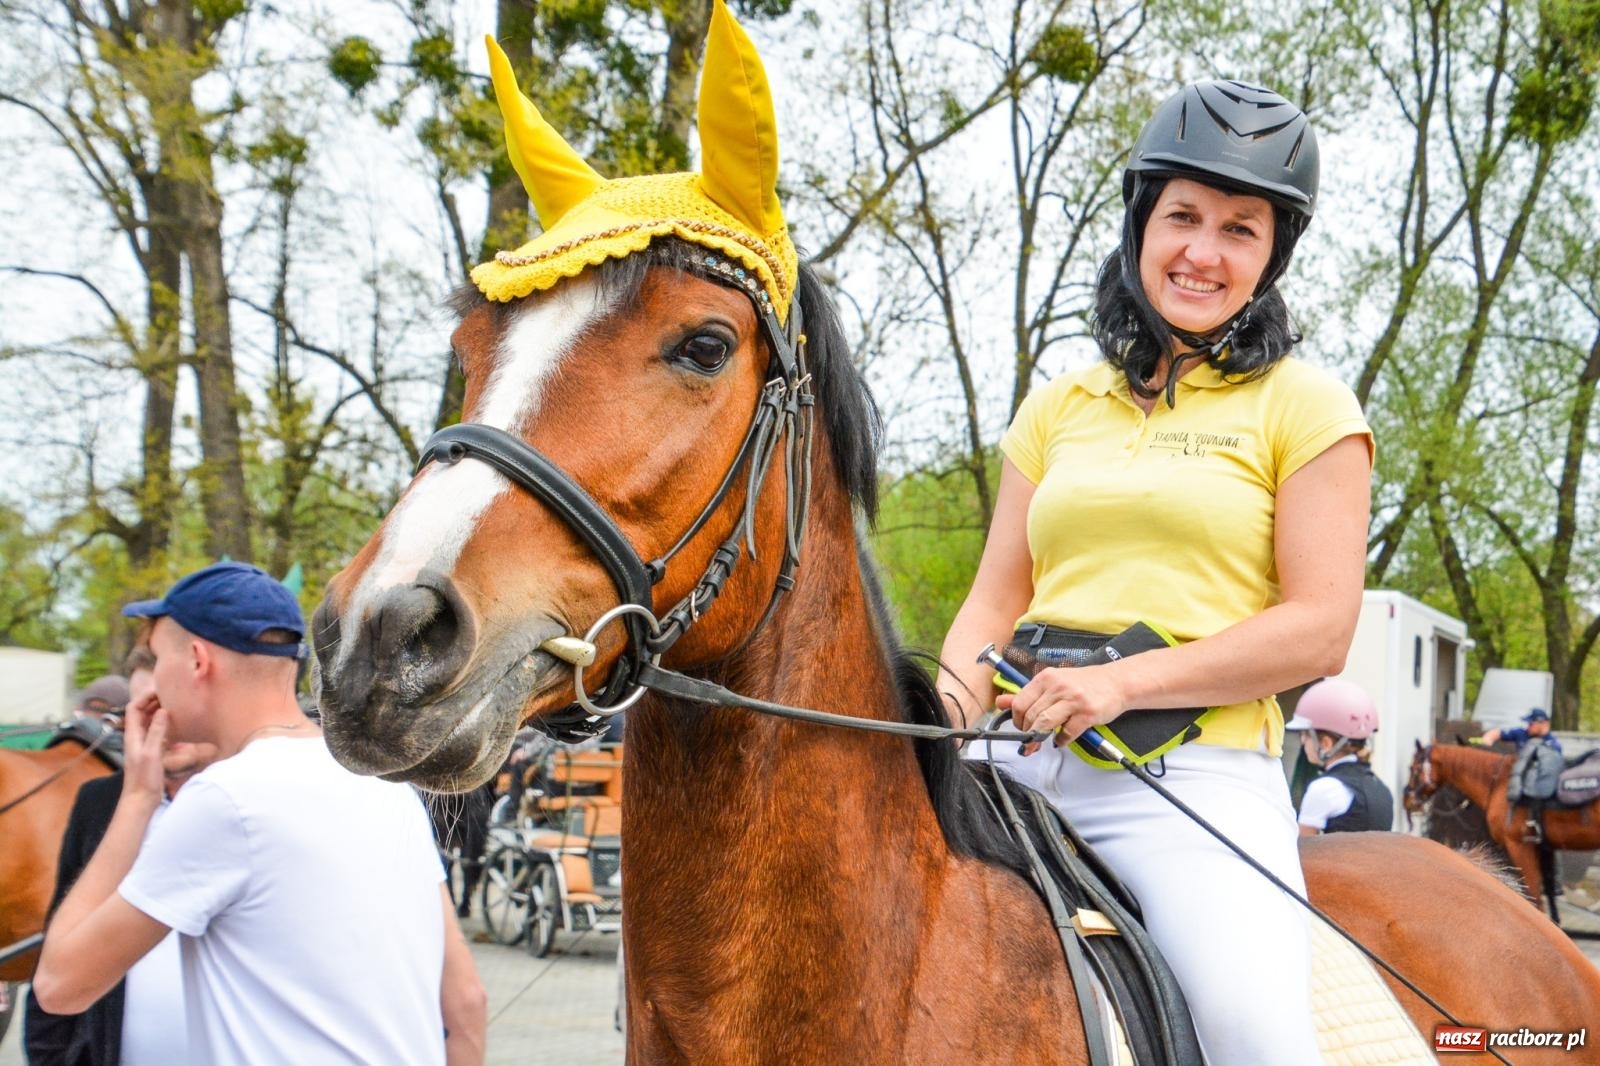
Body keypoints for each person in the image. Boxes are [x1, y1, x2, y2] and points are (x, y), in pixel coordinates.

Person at [938, 81, 1371, 1064]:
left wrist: (1118, 683)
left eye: (1238, 230)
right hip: (1011, 763)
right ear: (1140, 224)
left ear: (1270, 258)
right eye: (1181, 216)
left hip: (1190, 782)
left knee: (1254, 1034)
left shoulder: (1304, 406)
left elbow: (1318, 626)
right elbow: (993, 604)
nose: (1201, 252)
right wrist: (937, 720)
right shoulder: (1058, 405)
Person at [31, 562, 486, 1066]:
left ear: (197, 661)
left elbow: (59, 985)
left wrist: (138, 796)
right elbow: (466, 1001)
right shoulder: (381, 784)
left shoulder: (227, 798)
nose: (153, 682)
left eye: (158, 659)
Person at [25, 648, 220, 1065]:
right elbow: (58, 941)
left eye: (172, 708)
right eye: (144, 712)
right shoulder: (99, 802)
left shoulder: (255, 801)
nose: (160, 727)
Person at [1287, 678, 1394, 834]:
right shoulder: (1382, 789)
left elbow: (1302, 850)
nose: (1303, 742)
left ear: (1325, 743)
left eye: (1305, 735)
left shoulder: (1324, 788)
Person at [1478, 708, 1563, 841]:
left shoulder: (1553, 744)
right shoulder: (1521, 733)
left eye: (1531, 723)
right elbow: (1497, 733)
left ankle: (1533, 824)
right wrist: (1487, 741)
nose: (1528, 726)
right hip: (1515, 779)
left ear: (1543, 724)